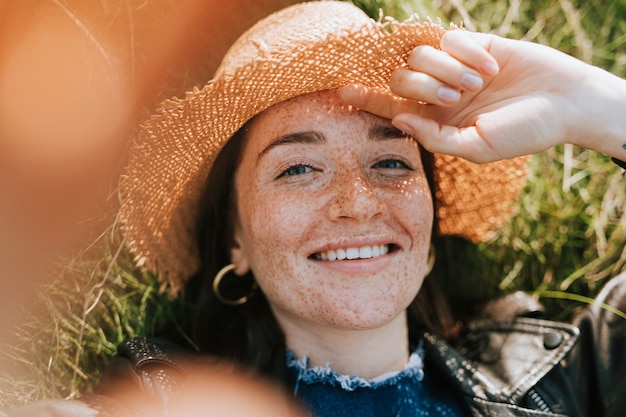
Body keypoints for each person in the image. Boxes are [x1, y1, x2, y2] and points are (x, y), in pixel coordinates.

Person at [3, 1, 625, 416]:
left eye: (391, 163)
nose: (358, 204)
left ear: (430, 226)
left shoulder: (569, 368)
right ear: (235, 241)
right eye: (298, 168)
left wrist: (593, 106)